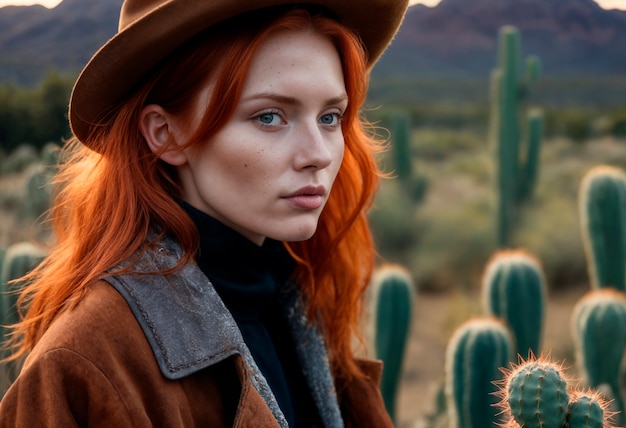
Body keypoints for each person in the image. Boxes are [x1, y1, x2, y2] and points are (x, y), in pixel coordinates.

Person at [0, 0, 408, 426]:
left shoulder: (302, 303)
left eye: (329, 117)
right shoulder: (87, 362)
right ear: (166, 135)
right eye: (269, 117)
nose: (319, 154)